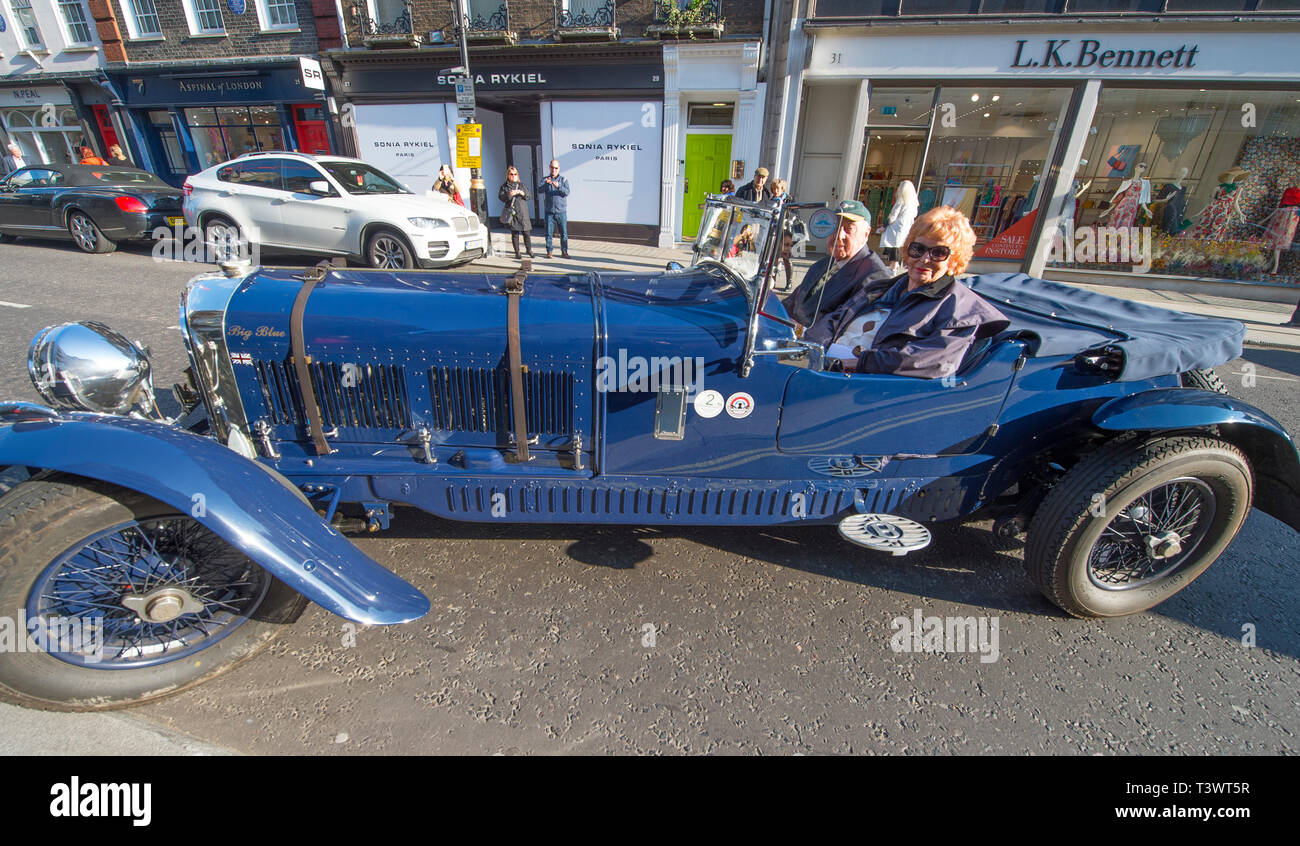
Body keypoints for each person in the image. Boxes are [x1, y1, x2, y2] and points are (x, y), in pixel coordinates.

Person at [805, 206, 1010, 379]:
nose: (924, 259)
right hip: (826, 375)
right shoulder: (880, 289)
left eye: (938, 253)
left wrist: (858, 363)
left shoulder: (961, 309)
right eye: (918, 249)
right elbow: (831, 322)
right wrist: (815, 353)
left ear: (954, 259)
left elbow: (934, 360)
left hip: (870, 390)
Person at [785, 199, 894, 329]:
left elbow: (844, 329)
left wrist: (799, 329)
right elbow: (792, 302)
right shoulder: (822, 264)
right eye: (835, 228)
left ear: (866, 233)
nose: (839, 235)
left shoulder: (875, 277)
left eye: (849, 229)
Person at [878, 179, 918, 271]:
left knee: (894, 247)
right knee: (903, 246)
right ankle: (901, 265)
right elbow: (914, 215)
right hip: (907, 226)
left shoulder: (901, 201)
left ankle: (893, 267)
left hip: (896, 226)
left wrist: (884, 225)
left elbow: (893, 215)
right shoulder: (914, 204)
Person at [499, 165, 533, 260]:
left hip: (523, 213)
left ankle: (529, 250)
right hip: (513, 213)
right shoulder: (504, 186)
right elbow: (501, 198)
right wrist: (509, 195)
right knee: (515, 234)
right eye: (511, 174)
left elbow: (528, 196)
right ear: (508, 175)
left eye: (515, 174)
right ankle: (517, 252)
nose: (513, 176)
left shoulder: (521, 185)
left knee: (526, 233)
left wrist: (521, 193)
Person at [538, 159, 570, 259]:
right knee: (548, 233)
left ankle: (564, 252)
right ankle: (549, 252)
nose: (554, 170)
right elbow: (539, 190)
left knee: (563, 233)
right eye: (552, 167)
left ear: (559, 168)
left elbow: (567, 192)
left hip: (561, 211)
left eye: (556, 168)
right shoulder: (545, 179)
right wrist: (547, 184)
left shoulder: (563, 180)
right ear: (549, 168)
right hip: (549, 211)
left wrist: (558, 186)